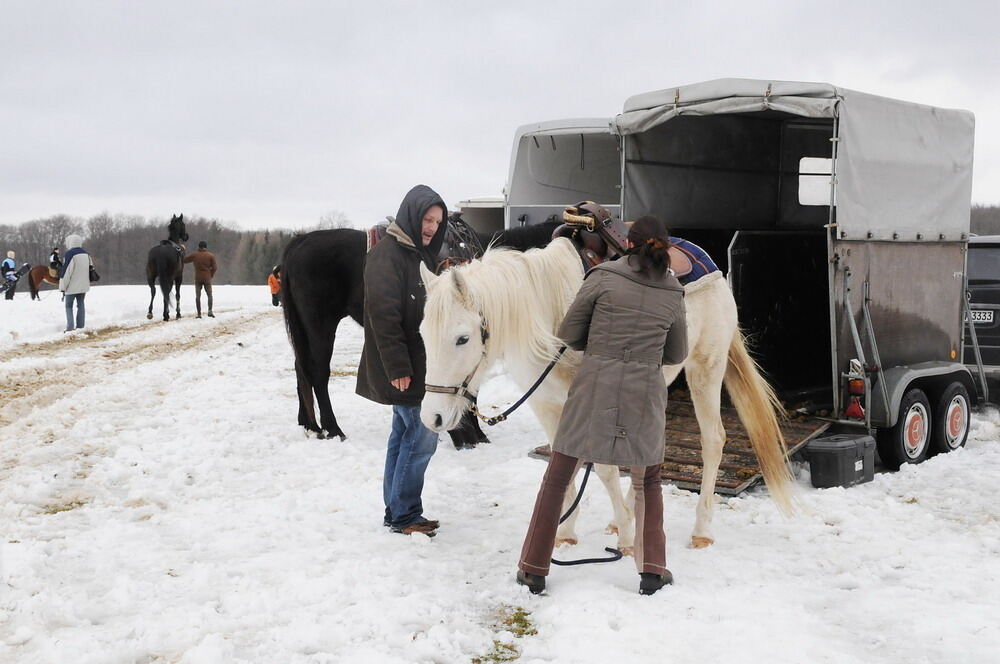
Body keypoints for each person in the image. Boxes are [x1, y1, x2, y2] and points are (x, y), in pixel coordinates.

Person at [516, 214, 688, 596]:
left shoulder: (602, 277)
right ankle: (653, 570)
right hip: (645, 393)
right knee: (649, 481)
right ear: (665, 249)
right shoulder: (673, 292)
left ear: (628, 244)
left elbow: (568, 333)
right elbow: (677, 352)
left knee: (559, 474)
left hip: (594, 386)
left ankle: (532, 568)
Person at [356, 185, 449, 537]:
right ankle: (405, 514)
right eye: (427, 219)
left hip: (418, 365)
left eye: (437, 222)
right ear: (412, 215)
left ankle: (398, 509)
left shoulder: (418, 255)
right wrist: (398, 368)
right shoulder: (388, 256)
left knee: (403, 435)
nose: (432, 227)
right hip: (404, 368)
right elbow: (383, 315)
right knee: (421, 438)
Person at [59, 234, 94, 331]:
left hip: (72, 286)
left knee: (68, 306)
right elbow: (90, 268)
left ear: (70, 242)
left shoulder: (70, 254)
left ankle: (70, 328)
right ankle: (80, 326)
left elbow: (66, 272)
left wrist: (62, 286)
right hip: (83, 285)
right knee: (81, 304)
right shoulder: (86, 254)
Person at [183, 241, 218, 318]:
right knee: (209, 294)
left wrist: (182, 251)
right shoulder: (210, 255)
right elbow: (215, 268)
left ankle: (199, 314)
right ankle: (210, 311)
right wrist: (211, 275)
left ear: (199, 247)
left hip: (198, 278)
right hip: (207, 278)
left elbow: (184, 260)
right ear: (206, 247)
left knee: (198, 296)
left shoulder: (195, 255)